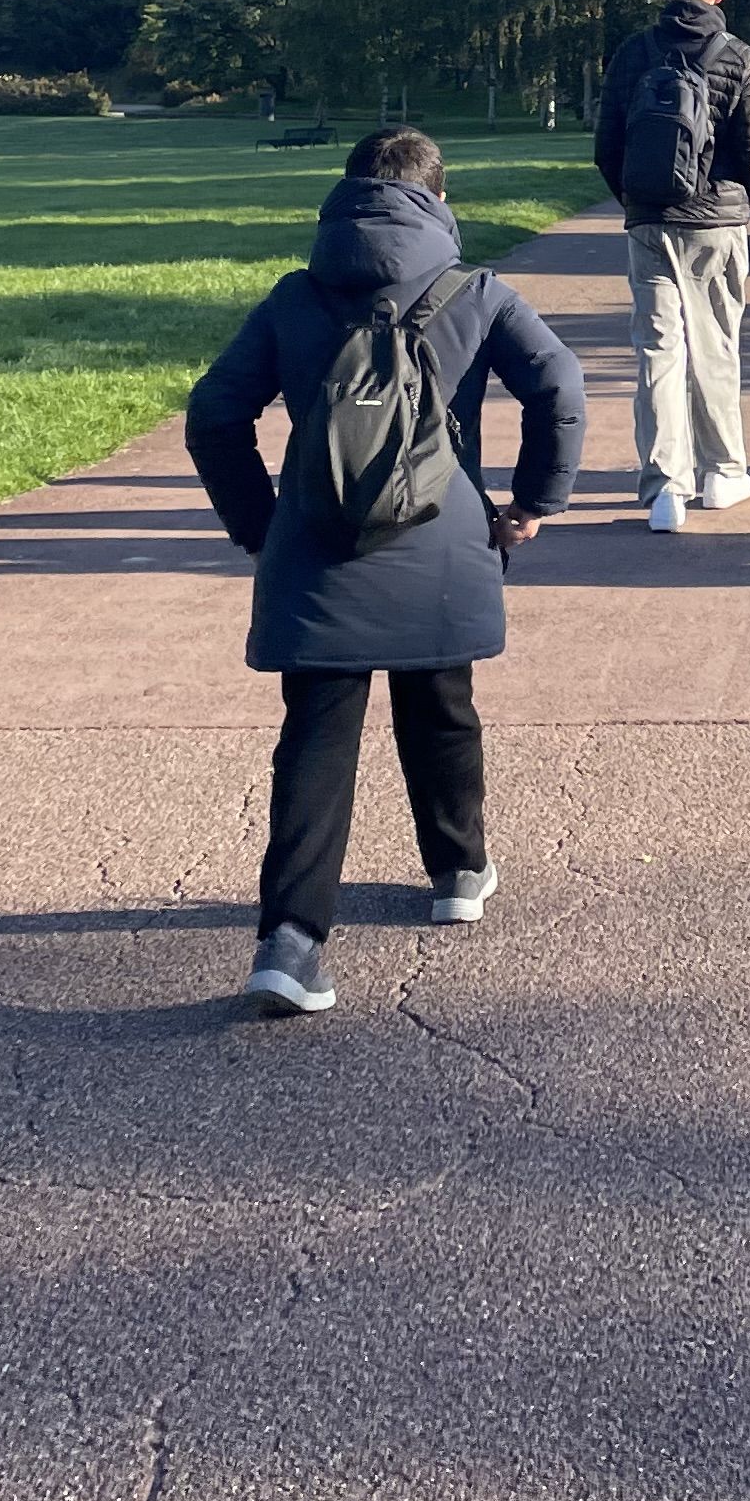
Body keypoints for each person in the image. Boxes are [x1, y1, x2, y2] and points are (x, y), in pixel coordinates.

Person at [183, 127, 588, 1020]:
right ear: (439, 203)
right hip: (439, 542)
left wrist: (262, 526)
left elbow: (214, 414)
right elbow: (559, 385)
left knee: (317, 735)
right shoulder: (474, 293)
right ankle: (457, 870)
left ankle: (291, 940)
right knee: (442, 702)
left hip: (319, 546)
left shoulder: (294, 298)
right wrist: (531, 504)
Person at [594, 0, 750, 534]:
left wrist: (636, 201)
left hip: (649, 219)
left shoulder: (633, 54)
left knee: (657, 349)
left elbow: (607, 144)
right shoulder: (738, 57)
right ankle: (723, 473)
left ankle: (665, 488)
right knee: (716, 343)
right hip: (716, 222)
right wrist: (738, 204)